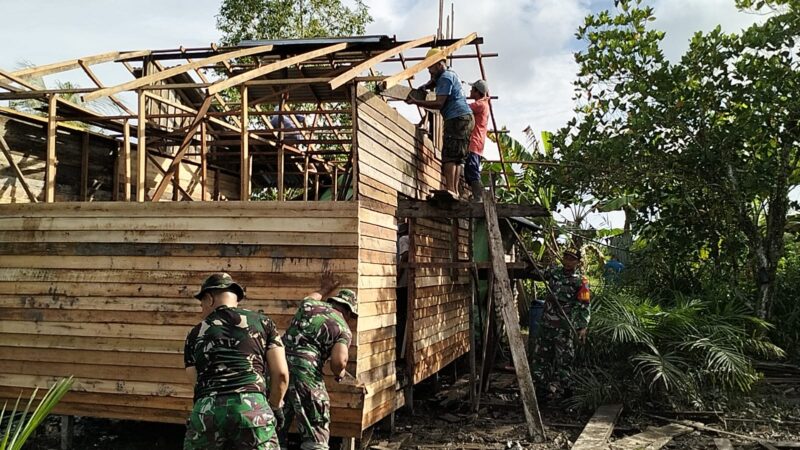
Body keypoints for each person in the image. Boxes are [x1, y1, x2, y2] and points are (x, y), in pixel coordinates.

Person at [183, 273, 289, 450]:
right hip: (252, 408)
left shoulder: (195, 334)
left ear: (209, 298)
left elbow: (195, 381)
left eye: (201, 303)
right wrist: (275, 407)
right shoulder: (264, 323)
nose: (201, 308)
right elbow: (281, 374)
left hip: (207, 411)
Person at [280, 270, 358, 450]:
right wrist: (340, 373)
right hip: (306, 375)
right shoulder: (343, 329)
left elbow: (312, 296)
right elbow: (338, 362)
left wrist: (326, 288)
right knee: (316, 431)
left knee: (276, 425)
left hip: (277, 370)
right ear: (348, 312)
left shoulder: (308, 305)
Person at [406, 48, 474, 197]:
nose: (429, 70)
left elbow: (438, 104)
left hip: (457, 119)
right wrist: (426, 86)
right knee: (457, 157)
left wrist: (417, 102)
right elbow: (433, 81)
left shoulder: (445, 78)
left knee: (449, 156)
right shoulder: (449, 73)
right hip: (465, 118)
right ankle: (454, 191)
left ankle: (451, 189)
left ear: (438, 64)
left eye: (430, 67)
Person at [531, 249, 591, 400]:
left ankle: (567, 393)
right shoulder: (554, 273)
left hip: (563, 328)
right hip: (546, 325)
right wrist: (529, 261)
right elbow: (537, 273)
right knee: (541, 358)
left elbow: (584, 304)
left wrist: (582, 326)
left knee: (564, 359)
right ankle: (542, 390)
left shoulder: (581, 281)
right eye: (566, 258)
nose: (568, 261)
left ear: (577, 262)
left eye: (572, 259)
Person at [466, 79, 490, 201]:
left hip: (474, 143)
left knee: (472, 170)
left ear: (477, 91)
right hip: (478, 143)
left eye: (472, 89)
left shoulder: (480, 104)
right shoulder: (484, 104)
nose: (470, 91)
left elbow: (463, 108)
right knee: (470, 170)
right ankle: (477, 196)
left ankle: (479, 197)